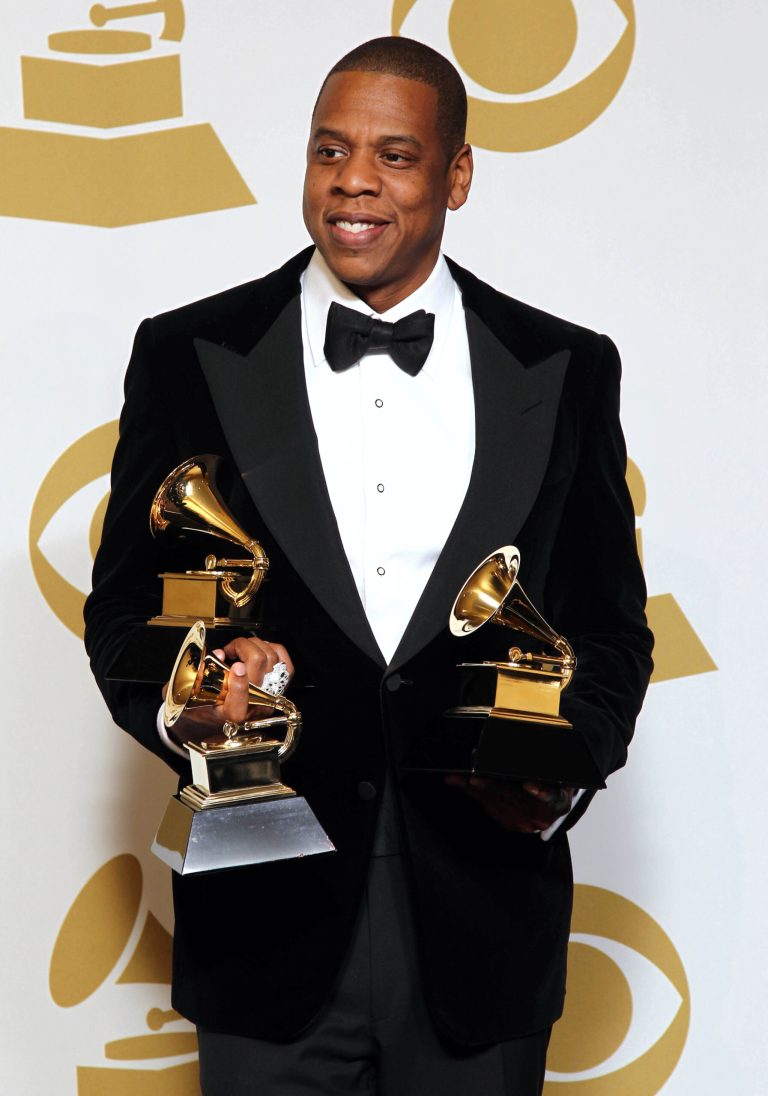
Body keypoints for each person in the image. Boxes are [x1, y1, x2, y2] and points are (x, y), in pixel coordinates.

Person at [84, 36, 653, 1096]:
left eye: (396, 155)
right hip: (265, 912)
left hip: (484, 917)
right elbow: (126, 609)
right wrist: (194, 699)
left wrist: (560, 764)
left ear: (457, 174)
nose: (353, 180)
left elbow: (611, 627)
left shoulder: (567, 364)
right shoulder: (187, 353)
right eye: (328, 150)